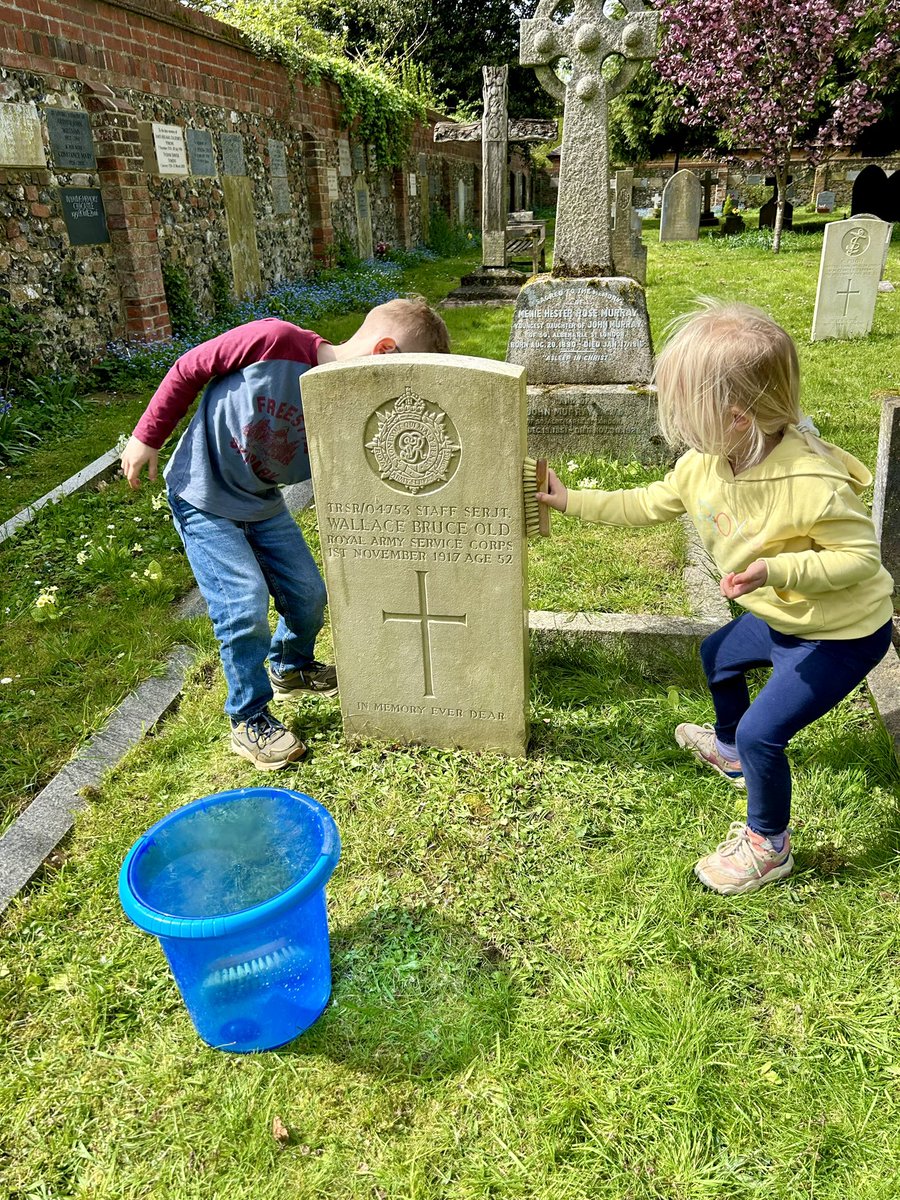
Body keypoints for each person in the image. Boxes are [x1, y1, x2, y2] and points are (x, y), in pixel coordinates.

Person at [537, 299, 894, 895]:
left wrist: (780, 568)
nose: (670, 414)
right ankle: (729, 751)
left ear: (735, 417)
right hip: (780, 617)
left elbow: (861, 561)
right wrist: (570, 499)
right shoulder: (705, 462)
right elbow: (647, 503)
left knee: (765, 733)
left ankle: (768, 844)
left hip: (842, 634)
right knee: (716, 655)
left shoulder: (813, 483)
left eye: (681, 403)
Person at [121, 298, 451, 770]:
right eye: (405, 380)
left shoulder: (347, 412)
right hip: (202, 495)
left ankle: (290, 665)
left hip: (262, 503)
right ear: (383, 353)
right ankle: (249, 717)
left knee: (309, 593)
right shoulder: (275, 340)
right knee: (243, 603)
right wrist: (147, 436)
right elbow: (188, 367)